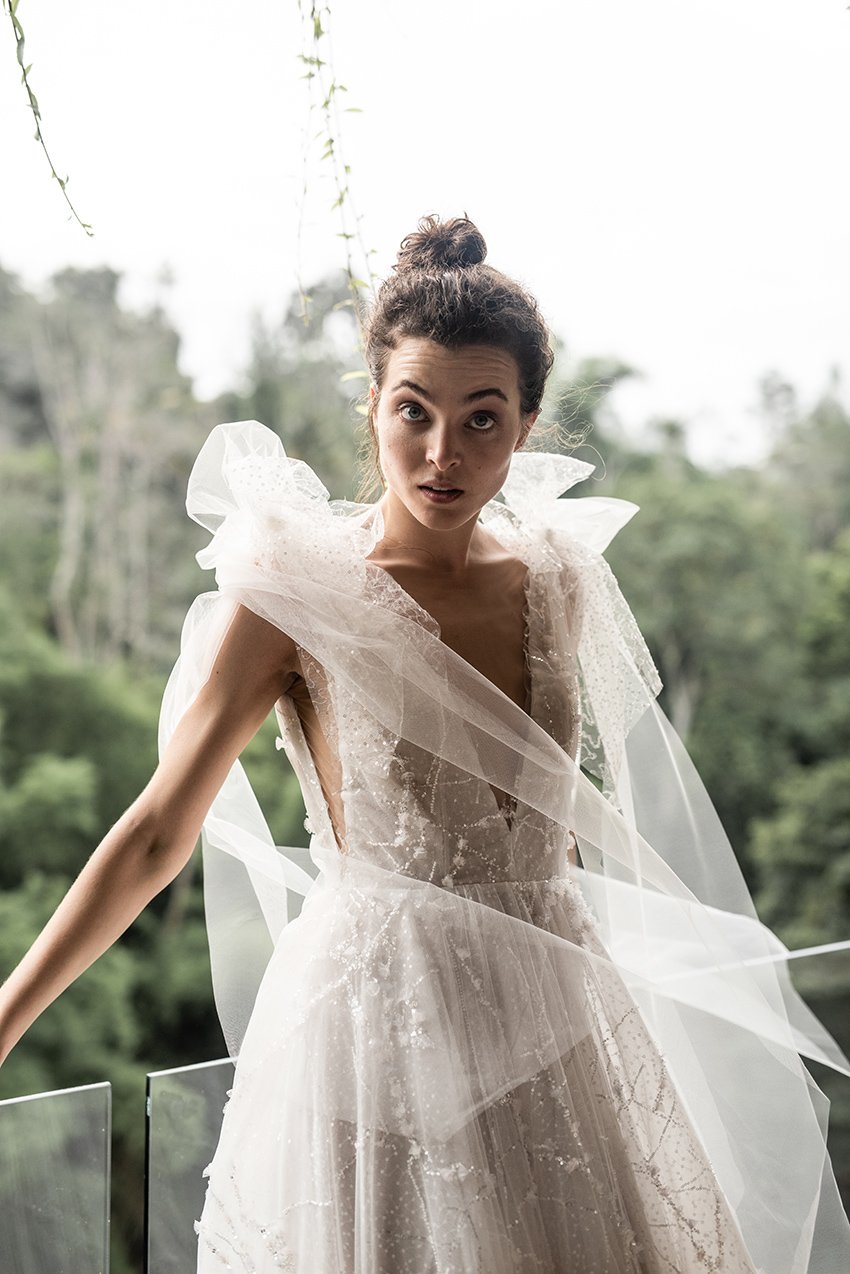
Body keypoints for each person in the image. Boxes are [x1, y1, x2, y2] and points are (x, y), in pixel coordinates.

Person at [1, 215, 848, 1273]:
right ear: (374, 406)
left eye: (481, 419)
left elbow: (555, 830)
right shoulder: (295, 591)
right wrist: (6, 1012)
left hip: (557, 1024)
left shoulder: (557, 578)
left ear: (525, 424)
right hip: (377, 1036)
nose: (444, 452)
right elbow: (157, 829)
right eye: (415, 410)